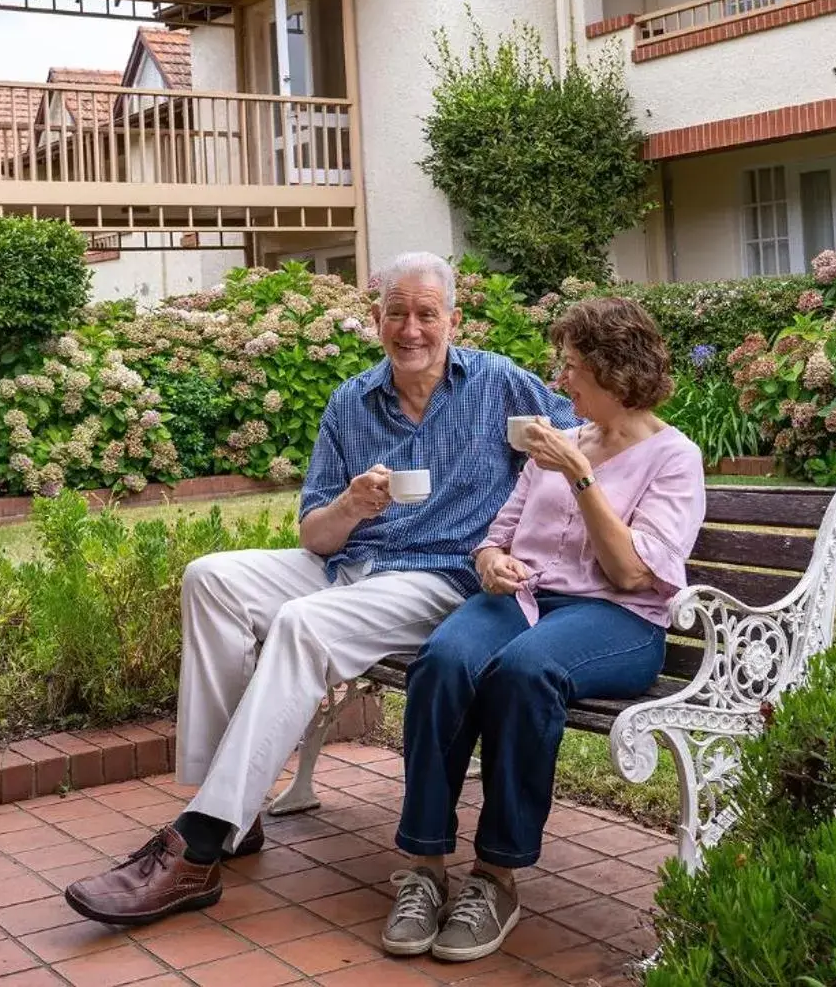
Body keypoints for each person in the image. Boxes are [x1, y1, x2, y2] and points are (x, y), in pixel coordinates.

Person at [64, 252, 577, 927]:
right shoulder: (350, 401)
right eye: (397, 312)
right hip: (355, 561)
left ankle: (201, 838)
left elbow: (584, 433)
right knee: (210, 577)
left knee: (303, 622)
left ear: (454, 319)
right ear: (376, 319)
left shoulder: (500, 383)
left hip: (441, 577)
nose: (412, 328)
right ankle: (235, 812)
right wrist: (353, 506)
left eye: (427, 313)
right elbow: (316, 536)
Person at [380, 296, 704, 964]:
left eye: (576, 367)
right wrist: (492, 560)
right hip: (524, 598)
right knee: (443, 657)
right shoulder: (556, 443)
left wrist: (582, 477)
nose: (564, 381)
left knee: (526, 671)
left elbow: (630, 572)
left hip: (616, 619)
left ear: (618, 371)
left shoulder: (673, 458)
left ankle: (496, 876)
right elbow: (497, 535)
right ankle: (424, 865)